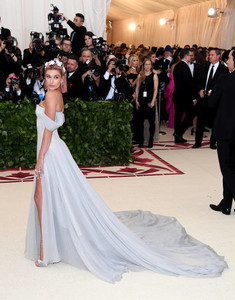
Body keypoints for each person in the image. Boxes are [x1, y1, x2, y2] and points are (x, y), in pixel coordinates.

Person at [25, 58, 227, 283]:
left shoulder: (52, 96)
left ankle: (46, 251)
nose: (51, 81)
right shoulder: (56, 95)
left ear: (62, 78)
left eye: (56, 77)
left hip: (50, 152)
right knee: (48, 198)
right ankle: (52, 244)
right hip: (54, 151)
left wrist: (40, 159)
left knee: (41, 198)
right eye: (48, 76)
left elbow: (48, 132)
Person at [208, 49, 235, 215]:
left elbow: (211, 103)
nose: (227, 60)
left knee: (227, 168)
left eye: (230, 57)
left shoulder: (225, 79)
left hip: (226, 130)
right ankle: (226, 203)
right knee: (233, 168)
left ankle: (227, 202)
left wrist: (213, 94)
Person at [192, 48, 228, 149]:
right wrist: (200, 90)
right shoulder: (203, 67)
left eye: (212, 55)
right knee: (200, 121)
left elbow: (223, 85)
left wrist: (214, 92)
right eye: (209, 55)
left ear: (218, 56)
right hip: (203, 99)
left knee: (214, 122)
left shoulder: (224, 70)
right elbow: (197, 81)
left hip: (216, 100)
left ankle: (213, 142)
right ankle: (197, 142)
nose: (209, 57)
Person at [173, 48, 197, 143]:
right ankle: (178, 133)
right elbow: (189, 85)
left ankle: (177, 135)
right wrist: (193, 98)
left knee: (178, 117)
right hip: (184, 97)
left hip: (178, 95)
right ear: (186, 56)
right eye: (190, 55)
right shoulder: (184, 67)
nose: (191, 57)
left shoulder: (177, 66)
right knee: (191, 114)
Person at [135, 58, 158, 148]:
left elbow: (155, 89)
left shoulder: (154, 76)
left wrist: (153, 100)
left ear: (151, 66)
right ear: (143, 66)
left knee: (151, 122)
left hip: (150, 100)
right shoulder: (140, 75)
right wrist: (136, 100)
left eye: (149, 64)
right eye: (146, 64)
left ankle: (150, 140)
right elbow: (137, 88)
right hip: (141, 100)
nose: (147, 66)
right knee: (140, 122)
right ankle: (141, 140)